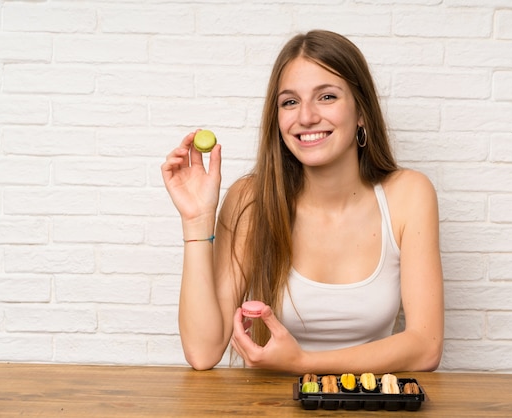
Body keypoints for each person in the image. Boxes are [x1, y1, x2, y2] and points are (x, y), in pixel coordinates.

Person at [161, 30, 444, 374]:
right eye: (290, 102)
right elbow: (203, 352)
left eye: (326, 97)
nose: (306, 117)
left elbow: (425, 347)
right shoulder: (250, 200)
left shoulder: (408, 195)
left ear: (361, 112)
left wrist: (303, 363)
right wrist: (196, 221)